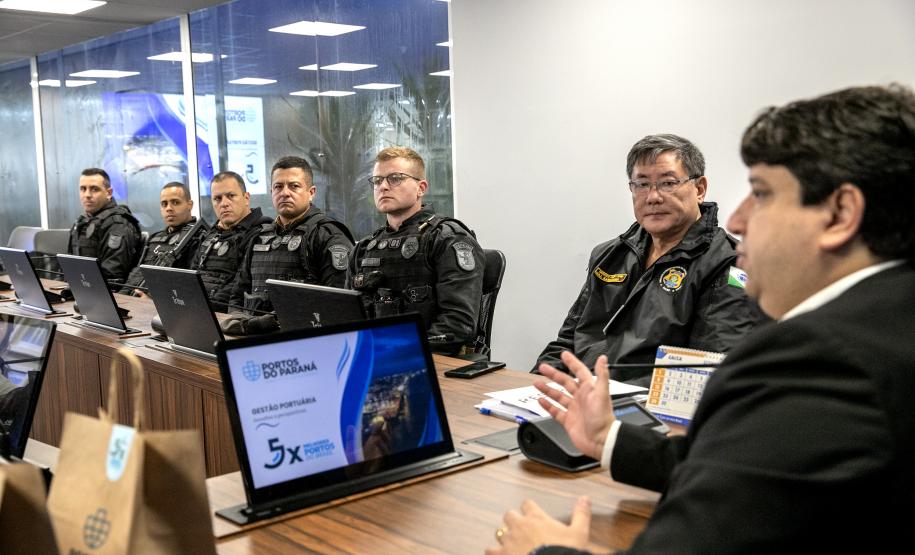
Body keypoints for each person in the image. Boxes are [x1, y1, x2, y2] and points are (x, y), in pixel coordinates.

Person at [488, 84, 915, 554]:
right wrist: (608, 437)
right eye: (641, 184)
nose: (739, 216)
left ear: (841, 213)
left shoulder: (821, 360)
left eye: (762, 194)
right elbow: (741, 461)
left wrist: (545, 551)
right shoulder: (888, 322)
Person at [535, 135, 762, 384]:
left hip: (646, 411)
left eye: (667, 183)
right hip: (581, 397)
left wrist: (603, 395)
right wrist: (535, 385)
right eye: (642, 185)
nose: (653, 197)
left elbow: (707, 371)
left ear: (699, 189)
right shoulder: (610, 255)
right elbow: (567, 342)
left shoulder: (728, 263)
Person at [348, 146, 484, 354]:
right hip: (375, 357)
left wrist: (399, 350)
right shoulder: (364, 248)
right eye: (377, 180)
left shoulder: (447, 239)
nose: (383, 186)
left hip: (431, 360)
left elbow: (458, 324)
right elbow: (347, 315)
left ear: (421, 188)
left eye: (395, 178)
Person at [223, 156, 353, 334]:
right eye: (278, 186)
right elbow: (237, 295)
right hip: (251, 337)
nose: (285, 192)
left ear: (311, 192)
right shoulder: (259, 237)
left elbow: (337, 303)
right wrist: (239, 326)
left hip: (303, 341)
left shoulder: (327, 235)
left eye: (294, 186)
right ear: (271, 192)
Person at [191, 171, 269, 312]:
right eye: (217, 199)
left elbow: (239, 285)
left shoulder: (261, 233)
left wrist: (202, 305)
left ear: (246, 198)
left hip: (226, 313)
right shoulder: (210, 235)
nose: (224, 203)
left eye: (231, 196)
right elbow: (191, 277)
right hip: (199, 310)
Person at [120, 182, 208, 295]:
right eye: (164, 204)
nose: (169, 208)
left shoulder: (200, 237)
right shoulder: (154, 238)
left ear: (189, 205)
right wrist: (123, 296)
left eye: (175, 202)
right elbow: (138, 272)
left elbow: (189, 284)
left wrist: (152, 300)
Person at [67, 168, 142, 283]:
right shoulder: (82, 221)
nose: (87, 195)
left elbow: (112, 274)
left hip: (108, 294)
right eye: (83, 189)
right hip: (82, 286)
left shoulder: (119, 223)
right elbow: (69, 263)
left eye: (94, 189)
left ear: (109, 193)